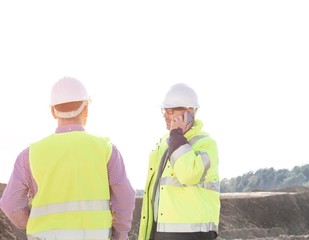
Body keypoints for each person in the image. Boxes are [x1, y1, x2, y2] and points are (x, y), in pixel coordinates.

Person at [0, 77, 136, 240]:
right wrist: (120, 233)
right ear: (86, 109)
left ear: (53, 111)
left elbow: (10, 204)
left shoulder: (29, 155)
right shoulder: (106, 149)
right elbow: (125, 197)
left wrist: (35, 222)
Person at [138, 83, 221, 240]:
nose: (165, 115)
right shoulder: (164, 143)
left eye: (170, 110)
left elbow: (188, 174)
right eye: (164, 110)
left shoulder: (206, 144)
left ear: (188, 112)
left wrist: (176, 136)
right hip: (161, 231)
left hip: (193, 233)